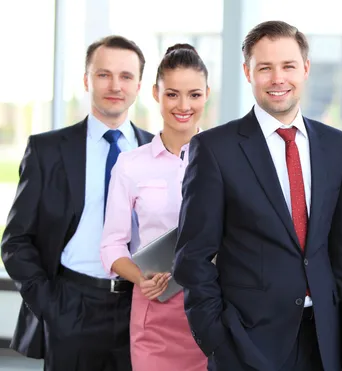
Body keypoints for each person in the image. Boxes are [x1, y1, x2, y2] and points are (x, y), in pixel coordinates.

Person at [172, 20, 342, 371]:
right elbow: (192, 257)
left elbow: (340, 249)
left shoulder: (337, 146)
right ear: (247, 72)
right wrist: (217, 339)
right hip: (247, 345)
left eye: (288, 66)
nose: (278, 78)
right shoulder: (214, 149)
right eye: (265, 68)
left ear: (305, 68)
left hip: (324, 341)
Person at [1, 35, 153, 370]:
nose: (115, 85)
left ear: (139, 85)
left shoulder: (157, 152)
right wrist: (49, 304)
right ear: (87, 80)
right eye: (103, 74)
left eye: (126, 76)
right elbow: (16, 241)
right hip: (71, 307)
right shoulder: (48, 150)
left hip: (139, 309)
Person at [99, 43, 211, 371]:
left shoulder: (225, 160)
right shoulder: (131, 165)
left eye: (194, 94)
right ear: (155, 93)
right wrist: (140, 277)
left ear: (207, 94)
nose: (183, 105)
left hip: (212, 309)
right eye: (172, 94)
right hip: (155, 310)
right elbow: (111, 244)